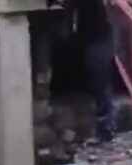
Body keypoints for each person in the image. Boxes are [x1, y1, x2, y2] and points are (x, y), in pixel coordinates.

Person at [49, 0, 116, 142]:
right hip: (85, 34)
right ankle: (102, 127)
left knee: (100, 80)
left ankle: (106, 128)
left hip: (99, 36)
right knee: (95, 79)